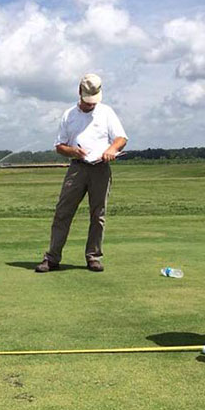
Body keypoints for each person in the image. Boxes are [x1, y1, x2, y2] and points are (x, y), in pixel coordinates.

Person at [35, 73, 128, 273]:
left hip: (101, 167)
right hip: (77, 167)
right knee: (63, 212)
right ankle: (52, 257)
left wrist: (111, 150)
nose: (91, 104)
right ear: (79, 92)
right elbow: (59, 146)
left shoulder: (106, 112)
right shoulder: (69, 115)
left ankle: (93, 256)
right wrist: (73, 151)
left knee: (98, 215)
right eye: (88, 100)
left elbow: (121, 138)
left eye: (93, 101)